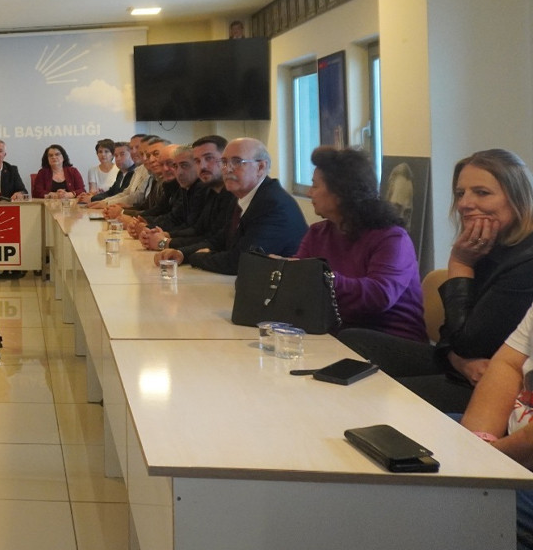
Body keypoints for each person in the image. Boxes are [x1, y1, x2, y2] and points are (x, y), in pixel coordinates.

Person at [342, 149, 533, 413]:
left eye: (482, 192)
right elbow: (450, 336)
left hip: (496, 387)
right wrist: (458, 361)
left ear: (517, 197)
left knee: (375, 394)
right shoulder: (488, 245)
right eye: (460, 193)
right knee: (352, 340)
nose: (465, 203)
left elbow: (469, 343)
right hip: (463, 367)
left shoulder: (525, 261)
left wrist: (460, 264)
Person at [293, 147, 426, 340]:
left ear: (340, 192)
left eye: (315, 186)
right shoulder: (317, 233)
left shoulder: (393, 238)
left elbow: (379, 296)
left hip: (391, 339)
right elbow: (300, 282)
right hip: (340, 334)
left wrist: (322, 278)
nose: (309, 192)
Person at [153, 137, 307, 275]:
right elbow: (219, 240)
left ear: (260, 167)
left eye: (237, 162)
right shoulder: (240, 196)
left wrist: (197, 257)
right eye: (224, 162)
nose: (227, 169)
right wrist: (181, 254)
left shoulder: (272, 204)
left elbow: (240, 261)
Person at [460, 306, 533, 549]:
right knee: (415, 434)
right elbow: (509, 364)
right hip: (507, 446)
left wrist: (482, 462)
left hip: (518, 458)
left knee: (453, 499)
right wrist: (479, 442)